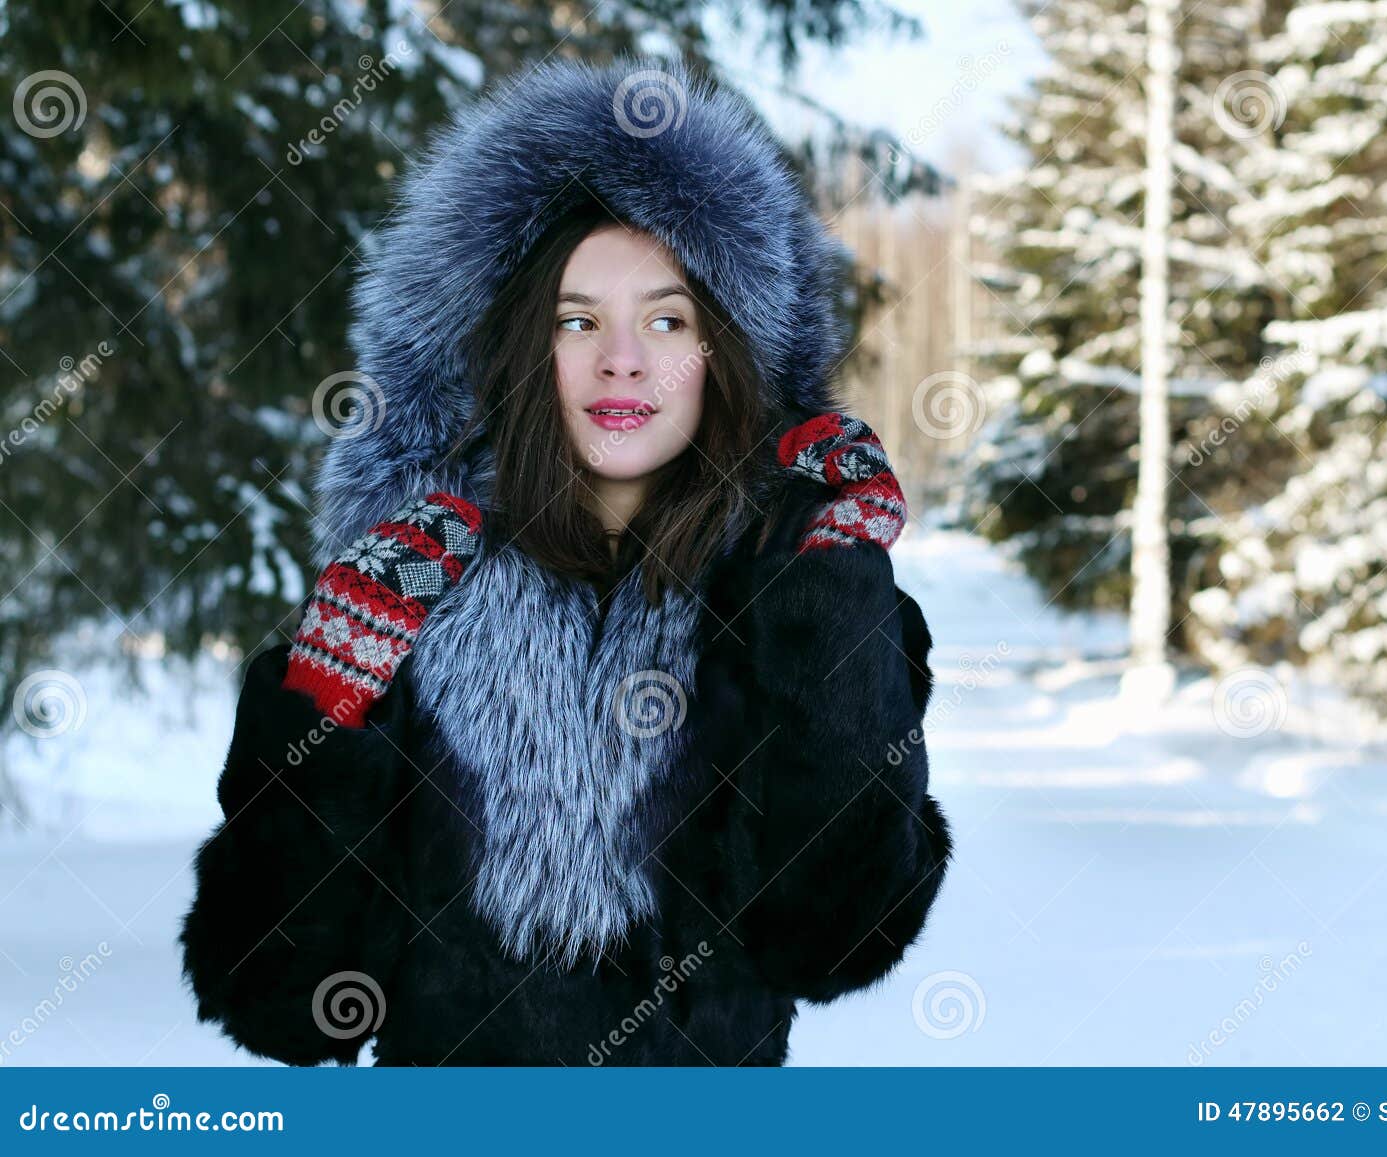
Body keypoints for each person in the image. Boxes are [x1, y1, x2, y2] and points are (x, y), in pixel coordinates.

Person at [178, 54, 952, 1066]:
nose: (620, 358)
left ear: (725, 353)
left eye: (667, 320)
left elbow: (831, 938)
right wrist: (325, 704)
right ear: (510, 348)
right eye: (575, 320)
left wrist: (832, 594)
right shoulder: (402, 589)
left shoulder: (793, 587)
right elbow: (281, 999)